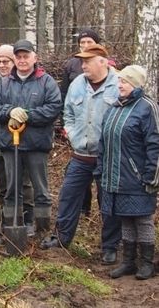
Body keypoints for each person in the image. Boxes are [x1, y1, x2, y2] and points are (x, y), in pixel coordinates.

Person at [40, 44, 121, 265]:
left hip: (108, 157)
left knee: (108, 202)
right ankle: (62, 239)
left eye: (88, 61)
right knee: (68, 196)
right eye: (82, 61)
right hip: (80, 155)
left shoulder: (118, 85)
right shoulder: (78, 84)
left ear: (103, 62)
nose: (83, 65)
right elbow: (68, 113)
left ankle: (110, 247)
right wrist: (74, 137)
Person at [0, 40, 62, 234]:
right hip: (10, 143)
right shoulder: (4, 84)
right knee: (12, 187)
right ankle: (13, 226)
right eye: (18, 57)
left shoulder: (46, 82)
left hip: (37, 144)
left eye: (25, 56)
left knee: (40, 188)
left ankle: (42, 227)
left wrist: (28, 114)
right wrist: (10, 111)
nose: (22, 60)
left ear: (34, 58)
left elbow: (53, 108)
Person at [97, 65, 159, 280]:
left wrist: (151, 176)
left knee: (142, 220)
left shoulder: (147, 107)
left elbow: (155, 143)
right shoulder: (114, 108)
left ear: (135, 84)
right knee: (125, 219)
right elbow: (103, 143)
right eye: (119, 81)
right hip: (116, 178)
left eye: (124, 81)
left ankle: (147, 264)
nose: (119, 85)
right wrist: (101, 169)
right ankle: (128, 262)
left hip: (139, 177)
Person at [0, 45, 35, 242]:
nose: (2, 65)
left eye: (6, 61)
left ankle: (27, 221)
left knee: (23, 182)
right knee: (3, 183)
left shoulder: (23, 83)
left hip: (21, 140)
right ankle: (7, 222)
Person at [60, 28, 101, 217]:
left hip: (102, 143)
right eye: (82, 43)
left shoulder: (110, 70)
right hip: (80, 136)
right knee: (76, 177)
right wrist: (68, 128)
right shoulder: (71, 66)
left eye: (89, 42)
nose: (85, 46)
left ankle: (104, 215)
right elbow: (65, 99)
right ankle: (84, 208)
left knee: (103, 182)